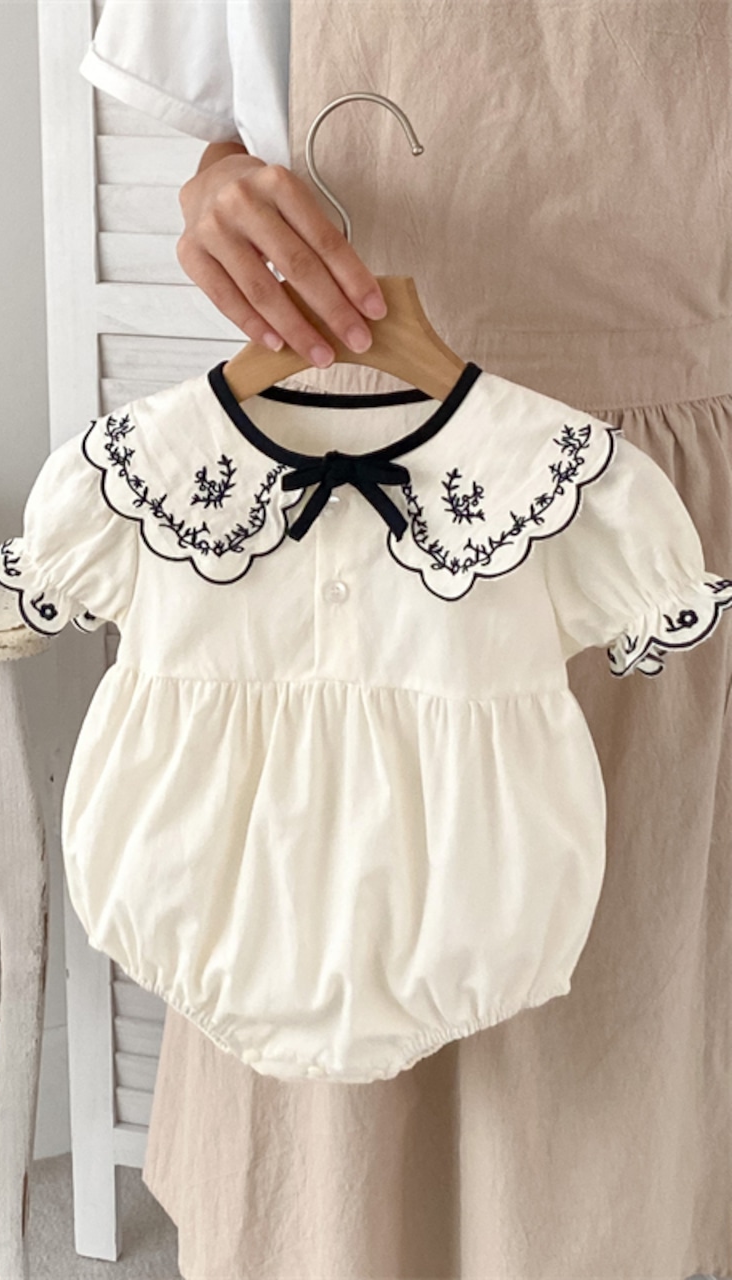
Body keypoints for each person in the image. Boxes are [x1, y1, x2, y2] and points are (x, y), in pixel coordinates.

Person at [79, 3, 731, 1277]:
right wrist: (218, 192)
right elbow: (230, 124)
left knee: (618, 1108)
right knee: (338, 1111)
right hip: (348, 493)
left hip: (664, 502)